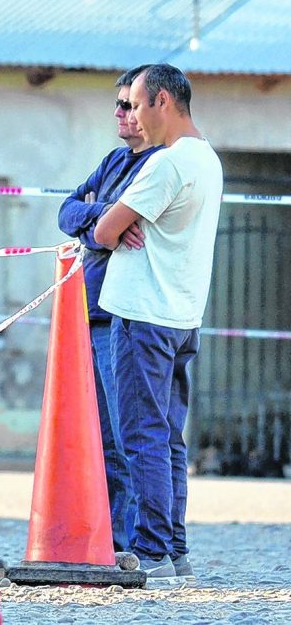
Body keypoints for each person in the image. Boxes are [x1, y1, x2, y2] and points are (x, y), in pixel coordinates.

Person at [94, 63, 222, 584]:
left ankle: (149, 551)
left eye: (136, 104)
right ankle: (175, 548)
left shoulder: (167, 164)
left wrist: (109, 217)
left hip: (143, 316)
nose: (132, 116)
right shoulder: (207, 157)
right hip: (181, 317)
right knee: (168, 437)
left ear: (162, 101)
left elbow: (104, 231)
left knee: (141, 435)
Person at [58, 64, 161, 555]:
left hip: (122, 316)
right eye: (118, 104)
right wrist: (103, 215)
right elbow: (67, 212)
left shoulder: (159, 165)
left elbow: (117, 232)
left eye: (128, 104)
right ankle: (113, 542)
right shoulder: (113, 161)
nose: (120, 113)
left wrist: (99, 223)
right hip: (88, 312)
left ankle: (140, 543)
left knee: (126, 437)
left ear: (150, 107)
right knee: (102, 441)